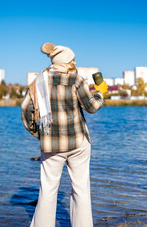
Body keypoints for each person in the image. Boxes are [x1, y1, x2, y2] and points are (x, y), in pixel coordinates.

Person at [28, 42, 108, 227]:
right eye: (73, 60)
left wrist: (41, 134)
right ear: (66, 62)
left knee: (47, 190)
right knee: (80, 189)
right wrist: (100, 93)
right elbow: (92, 107)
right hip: (78, 143)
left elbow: (26, 114)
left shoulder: (38, 81)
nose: (75, 63)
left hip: (50, 145)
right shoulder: (76, 80)